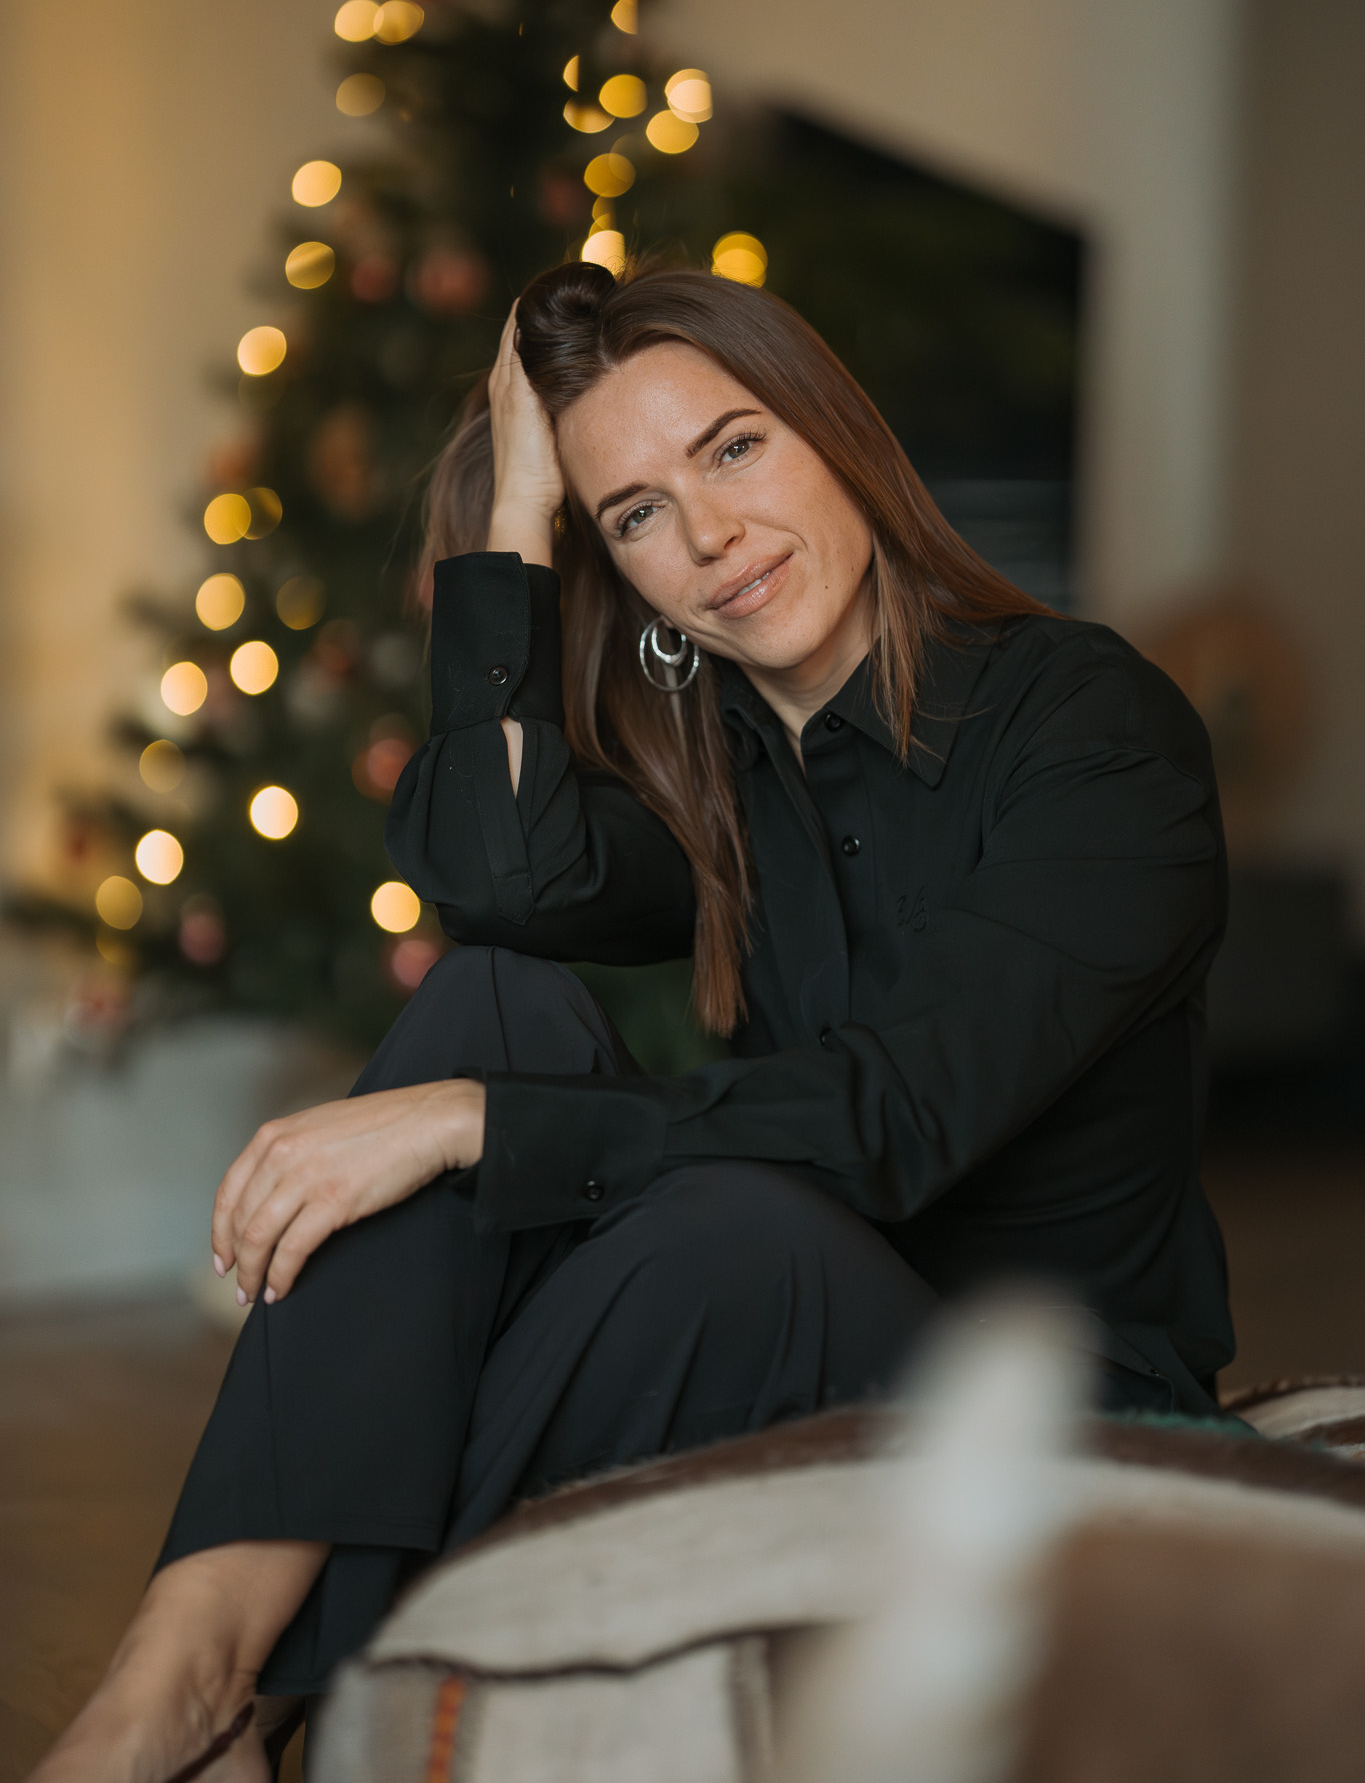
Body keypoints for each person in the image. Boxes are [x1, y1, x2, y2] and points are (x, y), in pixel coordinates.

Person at [31, 262, 1233, 1783]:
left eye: (732, 448)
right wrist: (516, 514)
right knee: (493, 1003)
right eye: (635, 514)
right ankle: (187, 1673)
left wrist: (469, 1125)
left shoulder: (1088, 727)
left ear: (833, 434)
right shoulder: (723, 770)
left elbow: (897, 1119)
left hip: (1047, 1406)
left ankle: (272, 1698)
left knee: (713, 1225)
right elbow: (491, 878)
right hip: (767, 1331)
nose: (709, 536)